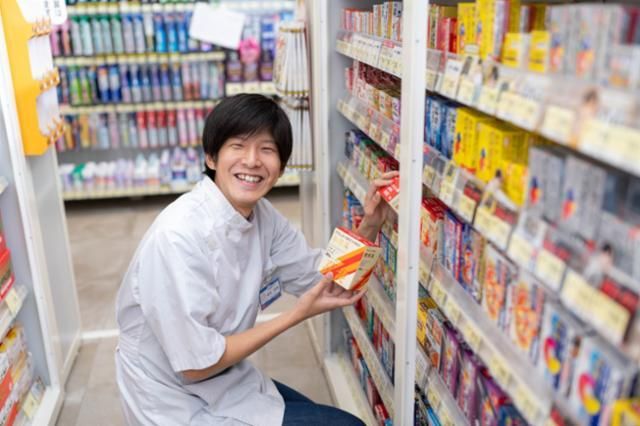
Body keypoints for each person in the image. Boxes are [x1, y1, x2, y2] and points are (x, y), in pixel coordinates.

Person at [115, 94, 397, 425]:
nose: (252, 161)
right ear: (211, 157)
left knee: (326, 416)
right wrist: (295, 315)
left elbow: (329, 281)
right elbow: (194, 365)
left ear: (281, 168)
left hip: (223, 376)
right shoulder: (177, 237)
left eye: (266, 149)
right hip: (174, 398)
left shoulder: (262, 216)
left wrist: (371, 223)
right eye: (238, 146)